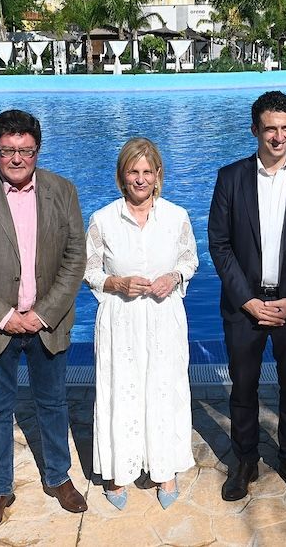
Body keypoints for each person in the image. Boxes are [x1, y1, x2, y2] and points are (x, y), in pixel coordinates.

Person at [0, 109, 87, 532]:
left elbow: (74, 258)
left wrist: (42, 312)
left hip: (48, 321)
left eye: (25, 150)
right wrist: (4, 315)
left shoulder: (63, 191)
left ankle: (58, 477)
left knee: (53, 403)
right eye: (8, 150)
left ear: (37, 150)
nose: (17, 158)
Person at [207, 90, 286, 503]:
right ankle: (245, 460)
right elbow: (219, 243)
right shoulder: (231, 177)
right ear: (255, 130)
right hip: (245, 306)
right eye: (270, 129)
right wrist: (246, 299)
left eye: (285, 129)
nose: (278, 137)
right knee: (242, 388)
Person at [84, 137, 199, 511]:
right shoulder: (102, 219)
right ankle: (119, 470)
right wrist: (116, 283)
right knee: (122, 388)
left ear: (158, 175)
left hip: (164, 316)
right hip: (121, 318)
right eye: (133, 171)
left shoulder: (177, 216)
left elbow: (190, 260)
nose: (140, 178)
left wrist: (174, 278)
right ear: (122, 176)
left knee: (164, 388)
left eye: (147, 171)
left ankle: (165, 468)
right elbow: (89, 271)